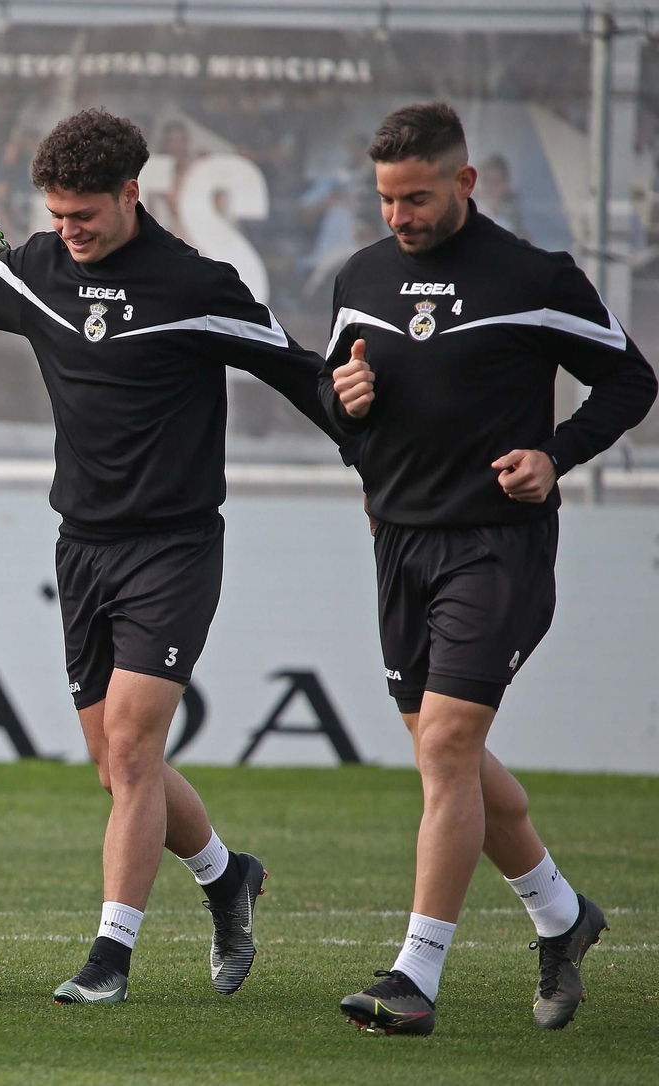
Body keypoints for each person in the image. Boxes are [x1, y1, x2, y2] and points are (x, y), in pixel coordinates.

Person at [0, 108, 349, 1005]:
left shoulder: (199, 286)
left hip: (173, 549)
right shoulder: (41, 273)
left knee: (133, 750)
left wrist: (373, 453)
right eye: (54, 216)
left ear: (133, 193)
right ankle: (226, 877)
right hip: (82, 549)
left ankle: (110, 959)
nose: (68, 232)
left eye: (82, 215)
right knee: (114, 766)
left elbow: (301, 374)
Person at [325, 102, 655, 1035]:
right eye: (387, 198)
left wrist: (558, 453)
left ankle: (414, 975)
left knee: (445, 749)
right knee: (449, 757)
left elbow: (631, 380)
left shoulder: (535, 277)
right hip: (398, 542)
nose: (400, 216)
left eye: (418, 197)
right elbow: (335, 388)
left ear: (465, 182)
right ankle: (562, 915)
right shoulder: (360, 275)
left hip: (496, 547)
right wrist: (342, 398)